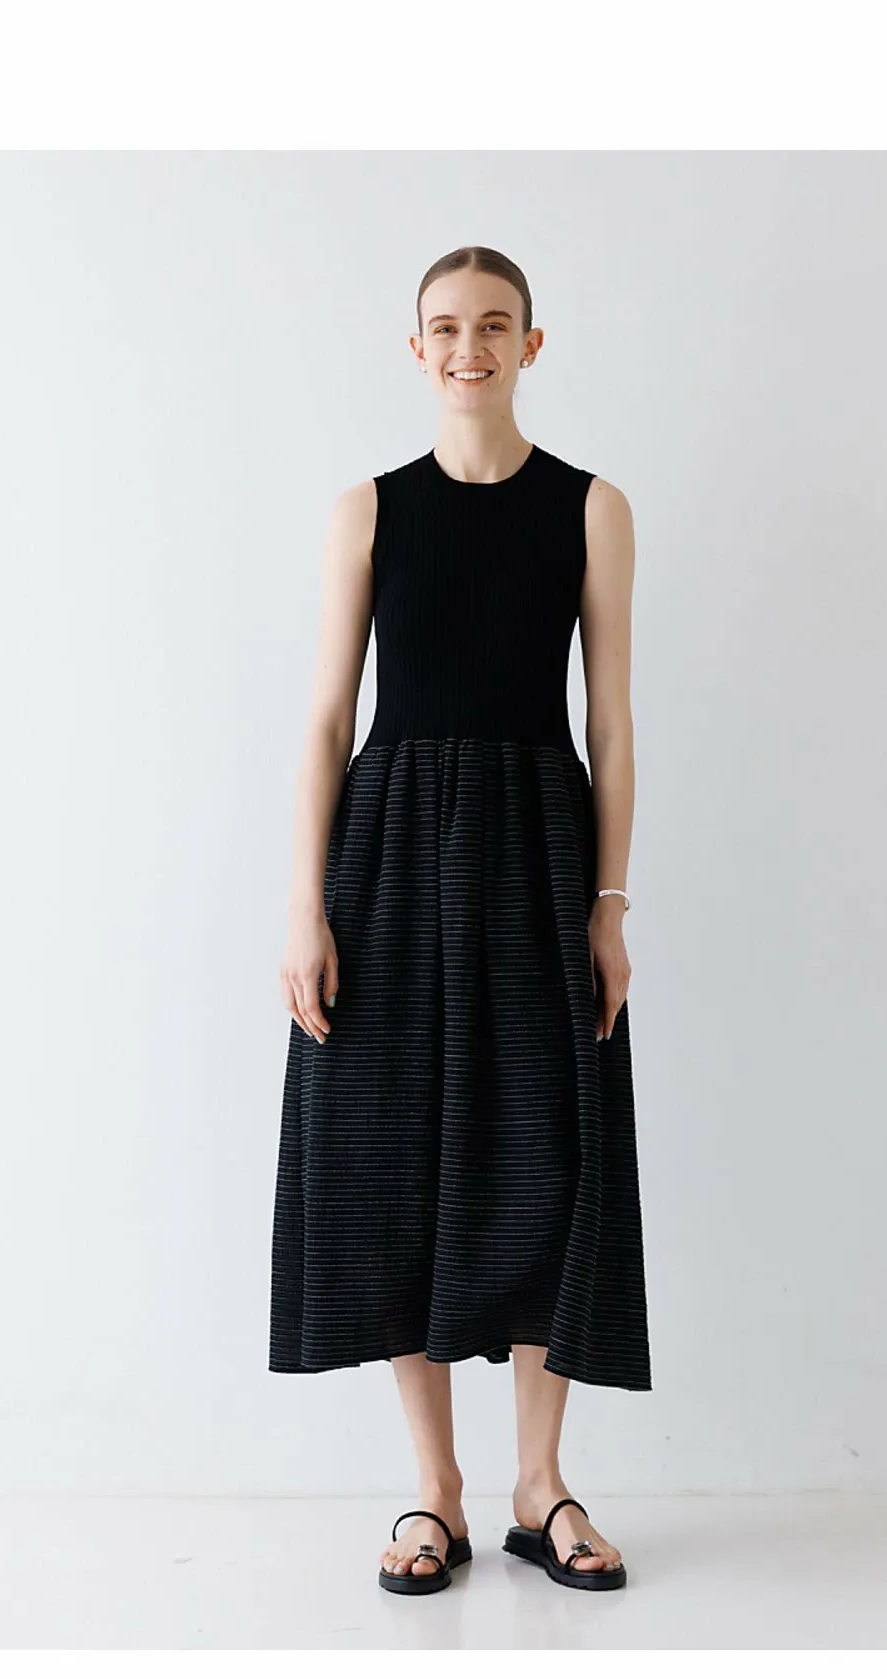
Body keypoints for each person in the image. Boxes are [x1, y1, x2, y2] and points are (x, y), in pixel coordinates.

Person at [271, 245, 651, 1594]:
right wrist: (306, 905)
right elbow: (328, 716)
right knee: (386, 1153)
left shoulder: (591, 506)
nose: (468, 346)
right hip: (388, 851)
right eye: (445, 327)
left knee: (552, 1153)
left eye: (495, 325)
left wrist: (608, 903)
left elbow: (611, 721)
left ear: (531, 345)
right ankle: (433, 1490)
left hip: (539, 846)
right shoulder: (368, 509)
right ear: (415, 347)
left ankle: (540, 1486)